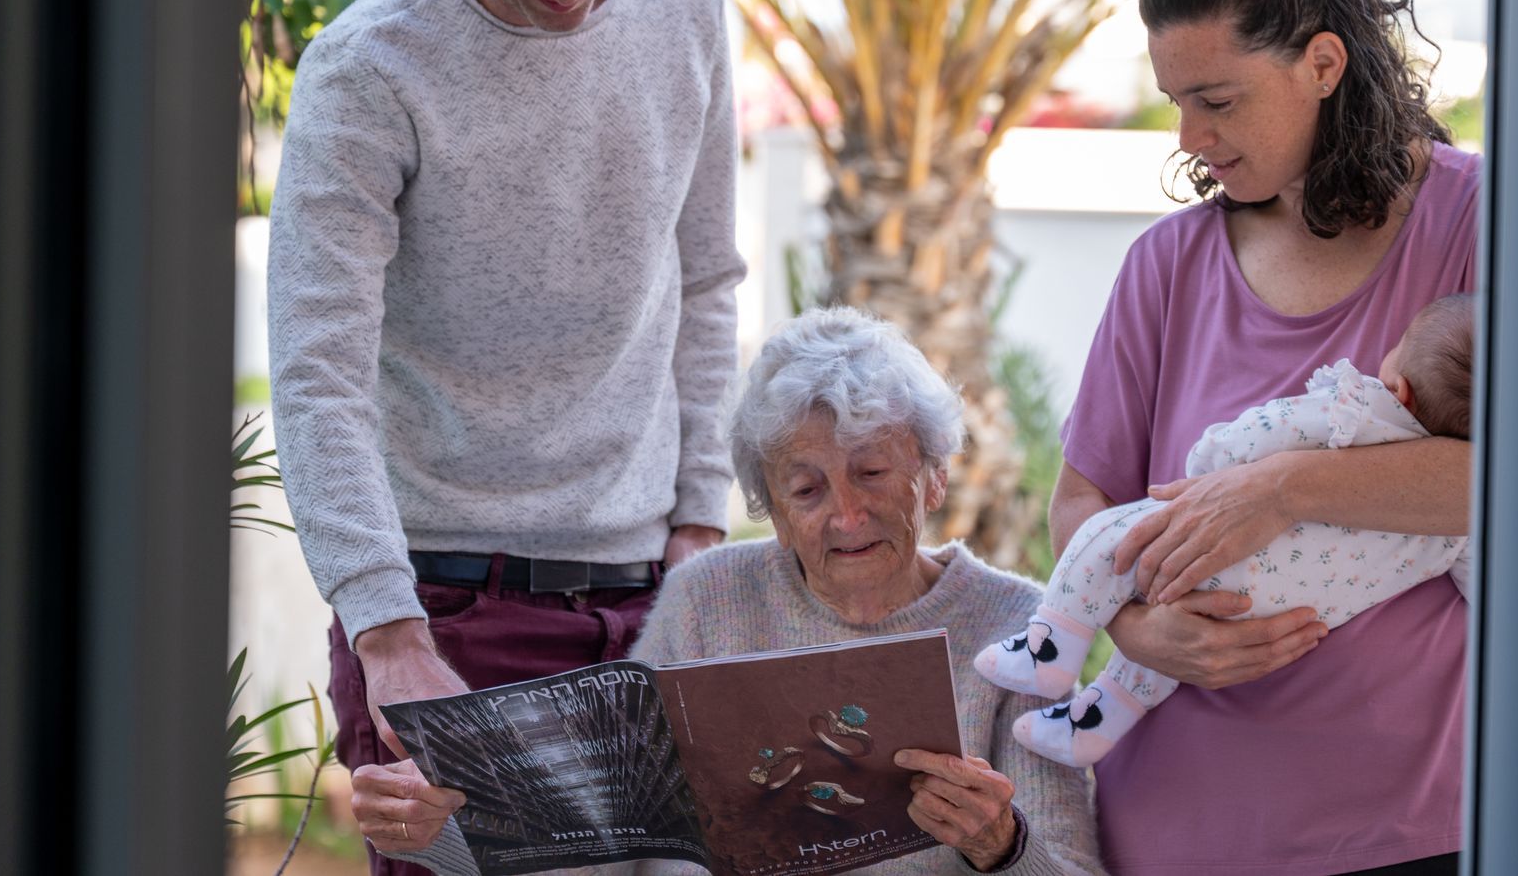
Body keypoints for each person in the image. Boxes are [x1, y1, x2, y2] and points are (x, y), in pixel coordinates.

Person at [267, 0, 746, 876]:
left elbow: (710, 280)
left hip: (654, 593)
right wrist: (387, 631)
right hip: (444, 605)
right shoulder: (369, 67)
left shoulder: (688, 13)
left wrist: (700, 527)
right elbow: (318, 372)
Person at [1049, 0, 1480, 876]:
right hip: (1170, 831)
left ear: (1324, 63)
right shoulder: (1165, 265)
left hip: (1415, 835)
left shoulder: (1482, 224)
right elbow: (1080, 498)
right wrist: (1144, 629)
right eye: (1175, 101)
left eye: (1219, 100)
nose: (1190, 135)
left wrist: (1283, 486)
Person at [351, 308, 1106, 875]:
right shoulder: (706, 599)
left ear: (934, 474)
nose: (845, 513)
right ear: (771, 511)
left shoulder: (1017, 627)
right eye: (806, 489)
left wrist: (1000, 845)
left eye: (872, 473)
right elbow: (604, 843)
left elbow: (1068, 864)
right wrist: (441, 827)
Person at [977, 294, 1475, 767]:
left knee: (1108, 537)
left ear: (1399, 388)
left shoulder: (1357, 414)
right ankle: (1090, 727)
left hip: (1215, 548)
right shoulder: (1451, 528)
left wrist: (1212, 465)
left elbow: (1272, 428)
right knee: (1166, 654)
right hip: (1273, 614)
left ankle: (1050, 644)